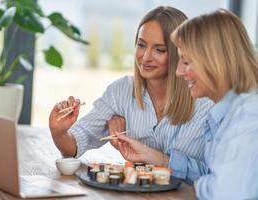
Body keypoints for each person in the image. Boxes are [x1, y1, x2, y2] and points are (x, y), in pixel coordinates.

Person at [49, 6, 213, 182]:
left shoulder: (206, 101)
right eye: (141, 45)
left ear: (180, 53)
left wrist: (156, 158)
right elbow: (76, 144)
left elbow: (218, 178)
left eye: (160, 49)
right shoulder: (121, 91)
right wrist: (59, 132)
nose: (146, 56)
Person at [115, 9, 258, 199]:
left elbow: (224, 193)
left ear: (215, 62)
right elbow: (214, 175)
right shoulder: (226, 113)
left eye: (186, 62)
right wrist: (157, 158)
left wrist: (203, 185)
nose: (178, 72)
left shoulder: (247, 117)